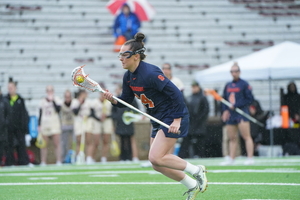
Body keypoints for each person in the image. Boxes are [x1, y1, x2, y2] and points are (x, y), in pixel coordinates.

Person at [103, 32, 208, 200]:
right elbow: (126, 102)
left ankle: (197, 170)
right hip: (157, 118)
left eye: (125, 54)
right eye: (120, 54)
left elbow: (176, 94)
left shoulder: (150, 73)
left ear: (136, 56)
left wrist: (177, 119)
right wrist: (112, 100)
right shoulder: (128, 76)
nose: (121, 58)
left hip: (171, 116)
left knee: (155, 156)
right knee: (156, 164)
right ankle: (191, 185)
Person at [221, 62, 255, 165]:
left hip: (241, 113)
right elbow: (224, 99)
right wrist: (225, 110)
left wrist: (237, 105)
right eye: (232, 71)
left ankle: (250, 158)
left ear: (239, 72)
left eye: (236, 71)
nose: (234, 73)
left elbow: (250, 99)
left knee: (246, 136)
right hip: (232, 114)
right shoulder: (228, 85)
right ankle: (232, 158)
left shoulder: (244, 84)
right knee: (232, 138)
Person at [178, 81, 209, 158]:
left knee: (199, 142)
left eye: (195, 87)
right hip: (191, 123)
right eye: (193, 87)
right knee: (186, 141)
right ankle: (184, 155)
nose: (194, 89)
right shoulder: (190, 97)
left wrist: (198, 120)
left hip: (199, 124)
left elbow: (205, 111)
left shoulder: (202, 97)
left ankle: (199, 155)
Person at [5, 78, 31, 166]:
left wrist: (26, 129)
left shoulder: (20, 99)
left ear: (15, 88)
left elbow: (24, 115)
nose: (10, 89)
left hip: (19, 128)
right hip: (8, 128)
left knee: (21, 146)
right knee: (9, 147)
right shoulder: (5, 99)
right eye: (9, 87)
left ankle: (23, 162)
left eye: (11, 87)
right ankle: (9, 162)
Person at [111, 83, 139, 162]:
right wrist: (116, 118)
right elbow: (113, 112)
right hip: (120, 123)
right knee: (122, 140)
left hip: (128, 122)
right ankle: (122, 157)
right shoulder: (116, 98)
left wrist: (129, 115)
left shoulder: (131, 98)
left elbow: (136, 109)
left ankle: (130, 157)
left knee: (129, 140)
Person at [38, 85, 62, 166]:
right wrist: (39, 125)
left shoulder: (57, 99)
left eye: (51, 90)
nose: (49, 92)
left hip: (54, 124)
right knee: (44, 145)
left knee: (57, 143)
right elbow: (40, 113)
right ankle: (43, 161)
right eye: (48, 90)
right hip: (45, 124)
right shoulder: (42, 101)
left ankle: (58, 161)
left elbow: (58, 110)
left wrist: (53, 101)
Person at [71, 89, 91, 163]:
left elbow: (91, 112)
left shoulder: (88, 102)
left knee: (88, 140)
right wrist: (80, 103)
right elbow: (75, 112)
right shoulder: (75, 102)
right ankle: (79, 156)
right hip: (78, 122)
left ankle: (88, 158)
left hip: (87, 122)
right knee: (79, 141)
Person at [99, 89, 114, 163]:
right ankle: (91, 157)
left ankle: (104, 157)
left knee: (106, 141)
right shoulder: (96, 102)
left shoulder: (109, 102)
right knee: (96, 141)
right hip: (98, 123)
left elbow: (113, 113)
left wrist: (106, 116)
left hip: (107, 122)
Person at [60, 89, 74, 163]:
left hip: (73, 125)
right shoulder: (61, 104)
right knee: (64, 144)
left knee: (74, 143)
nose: (67, 98)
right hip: (64, 125)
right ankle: (63, 159)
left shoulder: (74, 103)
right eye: (66, 97)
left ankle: (74, 158)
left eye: (69, 97)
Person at [0, 86, 10, 166]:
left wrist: (5, 123)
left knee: (2, 147)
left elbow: (8, 114)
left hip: (3, 130)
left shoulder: (4, 101)